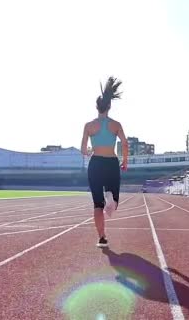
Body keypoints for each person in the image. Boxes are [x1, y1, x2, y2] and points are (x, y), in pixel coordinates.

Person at [81, 76, 129, 248]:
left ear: (97, 107)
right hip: (111, 163)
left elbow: (83, 150)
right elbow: (124, 143)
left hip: (95, 164)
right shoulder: (116, 124)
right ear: (109, 106)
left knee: (97, 205)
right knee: (113, 202)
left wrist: (91, 150)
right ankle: (111, 197)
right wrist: (124, 161)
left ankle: (101, 237)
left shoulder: (89, 126)